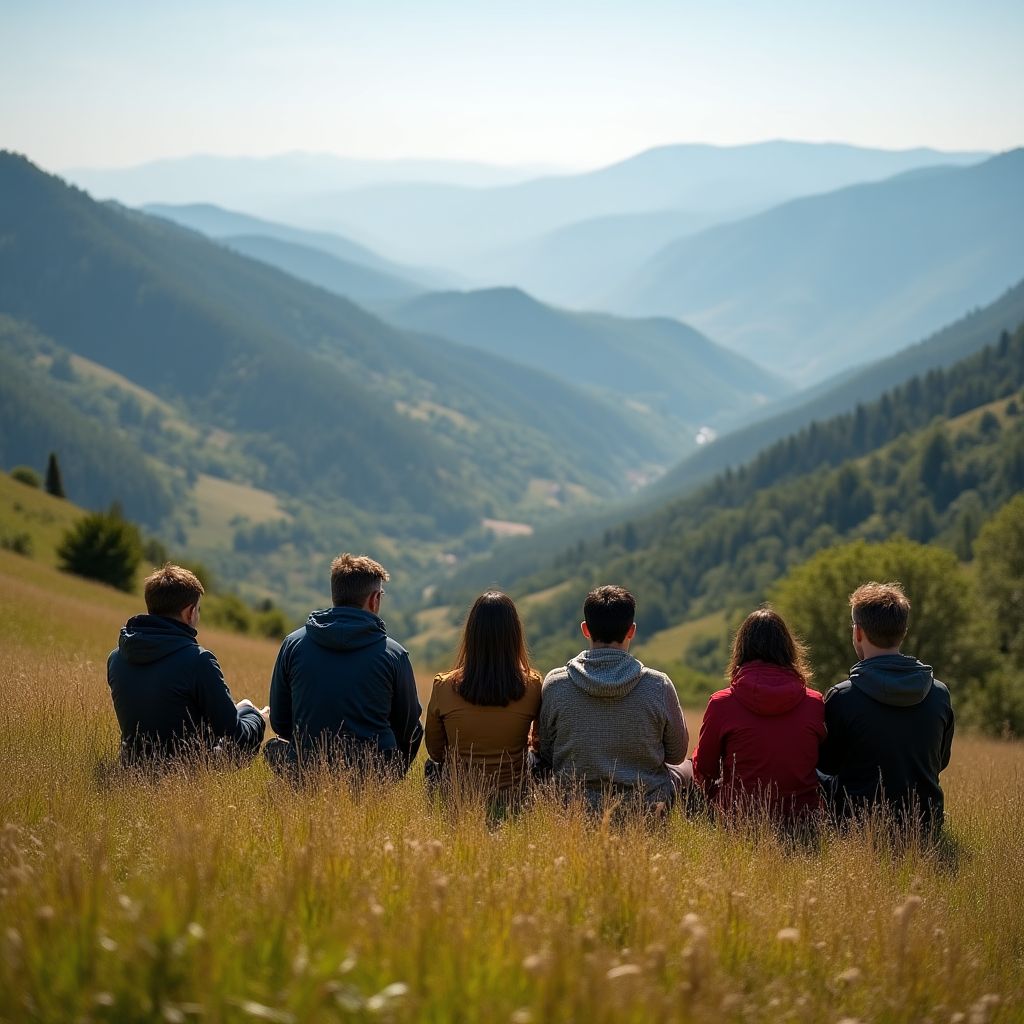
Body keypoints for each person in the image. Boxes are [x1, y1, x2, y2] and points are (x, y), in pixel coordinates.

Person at [264, 553, 422, 779]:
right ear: (374, 599)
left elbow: (280, 722)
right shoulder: (394, 654)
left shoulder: (293, 644)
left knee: (273, 748)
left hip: (305, 770)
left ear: (335, 594)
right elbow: (408, 727)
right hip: (373, 776)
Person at [536, 585, 688, 810]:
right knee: (689, 769)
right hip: (645, 809)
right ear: (631, 631)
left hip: (573, 812)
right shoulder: (658, 685)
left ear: (585, 629)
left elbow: (547, 752)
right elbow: (676, 755)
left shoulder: (556, 684)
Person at [818, 581, 954, 831]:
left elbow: (828, 765)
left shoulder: (843, 696)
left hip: (857, 828)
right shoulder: (939, 694)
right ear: (904, 631)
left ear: (857, 632)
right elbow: (940, 762)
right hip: (926, 826)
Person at [107, 563, 267, 765]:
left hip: (132, 768)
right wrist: (254, 716)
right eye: (198, 609)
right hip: (188, 775)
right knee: (246, 716)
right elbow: (236, 738)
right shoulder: (198, 660)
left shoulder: (116, 658)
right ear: (190, 612)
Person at [691, 607, 825, 820]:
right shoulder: (814, 703)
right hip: (803, 817)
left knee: (684, 770)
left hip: (738, 818)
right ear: (788, 650)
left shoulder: (722, 703)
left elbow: (706, 769)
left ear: (741, 649)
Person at [424, 592, 542, 798]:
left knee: (429, 767)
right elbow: (541, 745)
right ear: (514, 635)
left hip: (460, 795)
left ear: (471, 634)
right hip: (514, 795)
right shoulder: (532, 686)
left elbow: (436, 751)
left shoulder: (443, 686)